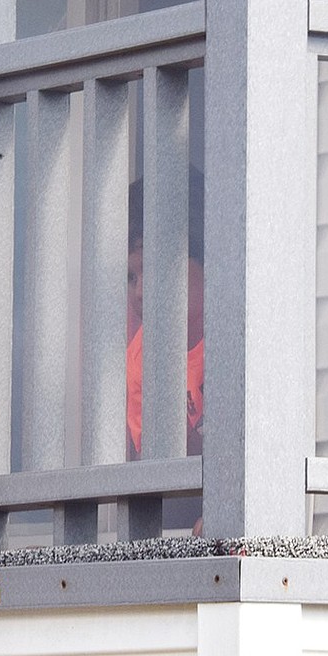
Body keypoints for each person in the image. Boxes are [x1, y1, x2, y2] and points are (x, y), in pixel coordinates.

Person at [125, 170, 205, 463]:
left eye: (155, 268)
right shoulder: (141, 358)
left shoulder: (241, 336)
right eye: (131, 277)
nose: (141, 292)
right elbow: (159, 479)